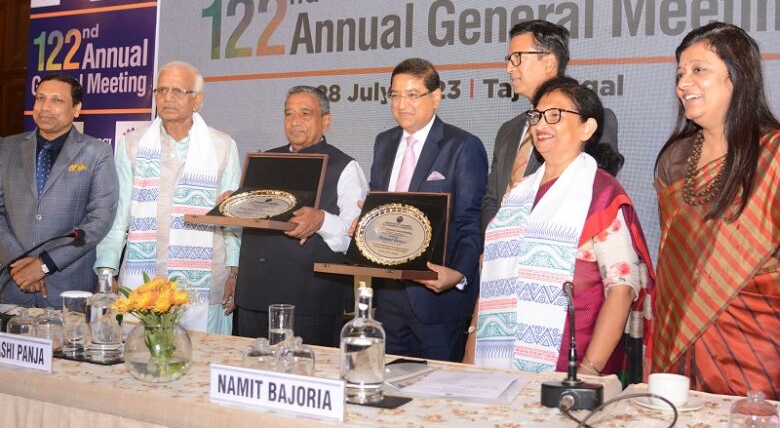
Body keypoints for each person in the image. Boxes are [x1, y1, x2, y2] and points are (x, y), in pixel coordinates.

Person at [466, 77, 653, 381]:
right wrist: (470, 348)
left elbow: (622, 288)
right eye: (536, 115)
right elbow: (493, 279)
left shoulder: (601, 194)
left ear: (587, 128)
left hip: (569, 369)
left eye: (555, 115)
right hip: (494, 367)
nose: (541, 123)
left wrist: (589, 372)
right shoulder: (517, 194)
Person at [653, 22, 780, 398]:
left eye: (698, 70)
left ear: (736, 76)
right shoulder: (674, 160)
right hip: (679, 345)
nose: (683, 83)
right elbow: (675, 262)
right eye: (680, 73)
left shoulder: (773, 155)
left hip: (756, 345)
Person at [95, 61, 241, 334]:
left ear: (197, 100)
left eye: (177, 91)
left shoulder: (222, 146)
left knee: (203, 365)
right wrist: (107, 270)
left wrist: (234, 272)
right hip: (143, 280)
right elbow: (119, 215)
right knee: (142, 360)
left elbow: (232, 218)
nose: (167, 98)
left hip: (205, 282)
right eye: (161, 91)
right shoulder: (132, 145)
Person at [369, 58, 488, 362]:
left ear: (436, 98)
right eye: (394, 95)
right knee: (392, 390)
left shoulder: (462, 146)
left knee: (440, 392)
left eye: (412, 94)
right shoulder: (383, 142)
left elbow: (469, 220)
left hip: (438, 298)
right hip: (388, 295)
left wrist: (458, 273)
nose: (401, 104)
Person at [235, 86, 368, 347]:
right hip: (254, 296)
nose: (295, 121)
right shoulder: (265, 161)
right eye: (289, 114)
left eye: (305, 114)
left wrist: (321, 220)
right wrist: (233, 203)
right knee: (252, 377)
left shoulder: (345, 167)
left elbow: (354, 238)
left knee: (307, 378)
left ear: (325, 121)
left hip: (310, 301)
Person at [482, 20, 621, 231]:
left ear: (548, 63)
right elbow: (491, 199)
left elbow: (590, 196)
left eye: (517, 58)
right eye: (509, 59)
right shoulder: (508, 131)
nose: (509, 67)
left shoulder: (590, 119)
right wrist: (494, 243)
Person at [0, 73, 118, 307]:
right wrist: (21, 264)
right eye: (40, 98)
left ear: (77, 109)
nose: (45, 107)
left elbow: (99, 219)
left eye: (57, 100)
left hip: (68, 287)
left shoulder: (97, 153)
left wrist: (44, 265)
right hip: (13, 282)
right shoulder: (7, 148)